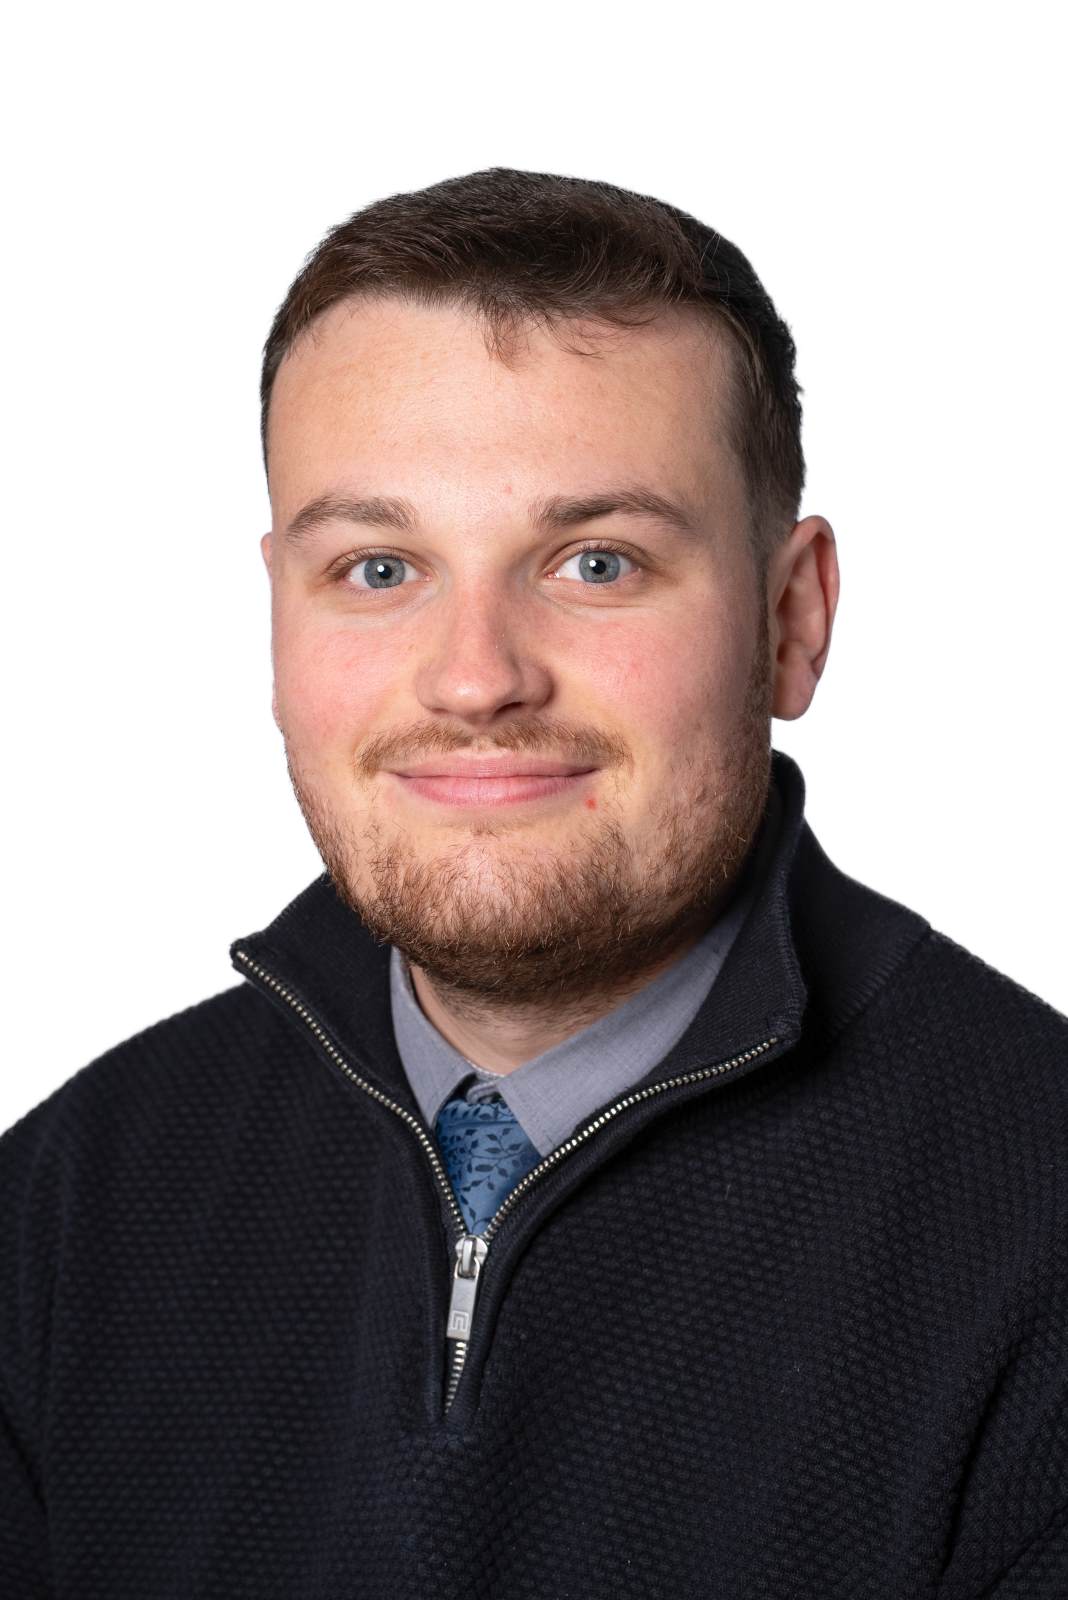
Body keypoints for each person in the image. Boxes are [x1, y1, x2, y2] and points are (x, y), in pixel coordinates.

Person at [2, 166, 1066, 1600]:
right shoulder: (69, 1209)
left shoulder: (1036, 1219)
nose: (476, 679)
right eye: (379, 569)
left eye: (595, 562)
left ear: (791, 619)